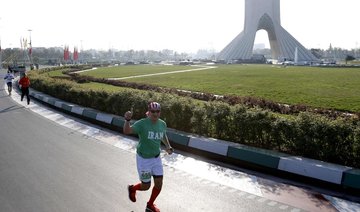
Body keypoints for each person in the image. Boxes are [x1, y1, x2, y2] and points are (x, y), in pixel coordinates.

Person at [123, 102, 174, 212]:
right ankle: (132, 188)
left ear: (160, 112)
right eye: (153, 111)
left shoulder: (162, 124)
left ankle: (150, 205)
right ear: (149, 112)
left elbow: (163, 134)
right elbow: (127, 131)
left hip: (156, 158)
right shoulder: (142, 123)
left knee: (159, 184)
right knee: (146, 186)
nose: (155, 114)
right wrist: (127, 120)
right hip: (144, 159)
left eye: (158, 111)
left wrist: (168, 146)